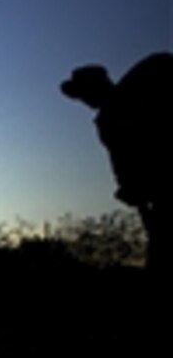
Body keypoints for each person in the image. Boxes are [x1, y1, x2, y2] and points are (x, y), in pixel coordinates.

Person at [61, 51, 171, 276]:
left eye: (84, 93)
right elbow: (123, 167)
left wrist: (132, 189)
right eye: (80, 95)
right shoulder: (111, 116)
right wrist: (131, 190)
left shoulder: (122, 108)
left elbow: (124, 166)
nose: (84, 100)